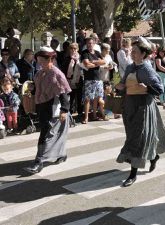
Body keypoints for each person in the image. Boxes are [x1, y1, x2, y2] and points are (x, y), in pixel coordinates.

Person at [115, 37, 165, 187]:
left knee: (137, 140)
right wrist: (119, 87)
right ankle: (153, 157)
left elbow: (160, 89)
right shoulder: (129, 67)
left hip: (143, 108)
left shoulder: (147, 69)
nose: (132, 54)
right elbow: (125, 85)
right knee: (132, 137)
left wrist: (146, 88)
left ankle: (132, 175)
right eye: (131, 51)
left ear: (143, 54)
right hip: (129, 107)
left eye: (135, 52)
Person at [25, 46, 71, 174]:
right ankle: (61, 154)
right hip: (42, 106)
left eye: (40, 59)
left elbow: (63, 93)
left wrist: (64, 110)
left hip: (52, 107)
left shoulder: (56, 74)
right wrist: (32, 88)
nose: (38, 61)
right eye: (38, 59)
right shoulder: (39, 73)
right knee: (52, 133)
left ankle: (38, 161)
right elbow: (38, 89)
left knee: (46, 135)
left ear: (49, 59)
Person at [81, 37, 107, 124]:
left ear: (94, 43)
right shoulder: (84, 53)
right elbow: (87, 65)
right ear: (86, 44)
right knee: (88, 99)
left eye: (91, 43)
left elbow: (104, 62)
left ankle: (95, 116)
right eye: (88, 43)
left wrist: (94, 61)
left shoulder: (97, 52)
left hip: (98, 78)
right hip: (89, 79)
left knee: (97, 98)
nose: (90, 45)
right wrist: (97, 63)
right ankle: (86, 117)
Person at [61, 43, 83, 115]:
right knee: (71, 96)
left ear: (78, 49)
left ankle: (80, 111)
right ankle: (71, 111)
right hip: (69, 80)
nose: (73, 50)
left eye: (75, 48)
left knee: (79, 96)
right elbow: (64, 69)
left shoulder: (80, 58)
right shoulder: (67, 58)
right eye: (71, 48)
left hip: (79, 79)